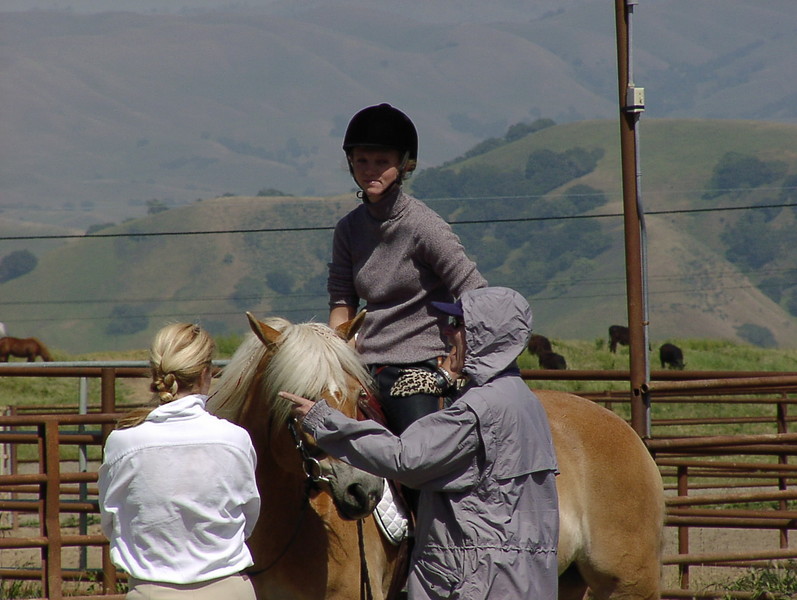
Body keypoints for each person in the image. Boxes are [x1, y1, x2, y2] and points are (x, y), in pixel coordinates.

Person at [282, 287, 559, 600]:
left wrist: (323, 421)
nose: (446, 331)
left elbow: (404, 458)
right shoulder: (525, 401)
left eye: (457, 324)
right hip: (524, 574)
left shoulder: (477, 411)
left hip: (479, 579)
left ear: (485, 336)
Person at [328, 102, 487, 440]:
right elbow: (342, 302)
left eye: (382, 162)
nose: (370, 170)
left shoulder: (424, 226)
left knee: (421, 454)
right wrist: (333, 359)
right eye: (362, 161)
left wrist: (456, 357)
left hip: (418, 366)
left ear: (404, 165)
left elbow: (475, 292)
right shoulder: (348, 229)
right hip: (363, 365)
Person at [98, 323, 261, 600]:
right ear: (206, 374)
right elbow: (247, 518)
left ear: (155, 373)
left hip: (152, 590)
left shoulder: (123, 443)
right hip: (229, 587)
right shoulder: (235, 439)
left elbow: (111, 521)